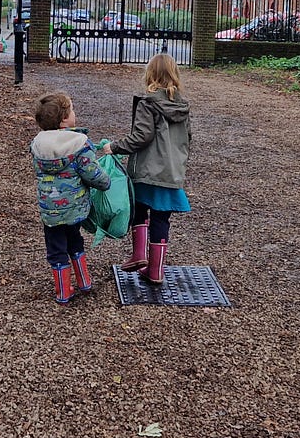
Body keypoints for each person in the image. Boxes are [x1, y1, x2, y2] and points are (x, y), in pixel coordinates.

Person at [109, 53, 191, 286]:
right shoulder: (183, 106)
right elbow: (188, 138)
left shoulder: (148, 103)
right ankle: (155, 270)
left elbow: (141, 136)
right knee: (161, 218)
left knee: (139, 209)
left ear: (150, 75)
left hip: (147, 170)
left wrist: (114, 147)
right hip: (170, 172)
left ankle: (138, 254)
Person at [31, 90, 112, 305]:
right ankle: (84, 281)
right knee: (75, 240)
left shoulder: (38, 145)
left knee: (56, 248)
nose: (75, 113)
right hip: (75, 207)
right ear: (64, 120)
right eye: (72, 110)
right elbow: (92, 173)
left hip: (50, 210)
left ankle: (63, 291)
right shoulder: (79, 144)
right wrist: (106, 183)